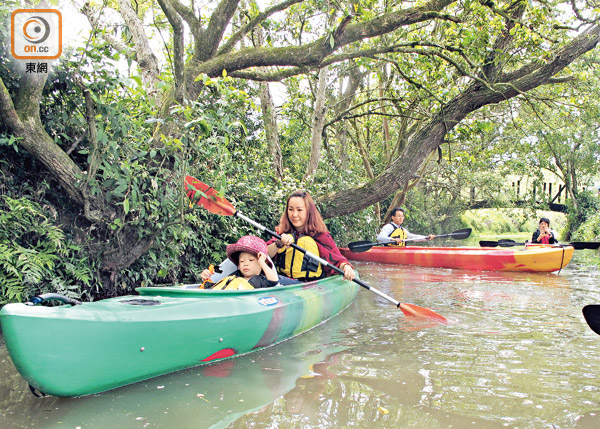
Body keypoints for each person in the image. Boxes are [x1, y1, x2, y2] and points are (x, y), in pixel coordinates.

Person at [266, 190, 355, 282]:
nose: (294, 214)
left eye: (299, 210)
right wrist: (279, 243)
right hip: (283, 281)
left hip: (309, 285)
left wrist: (346, 267)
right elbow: (264, 255)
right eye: (291, 209)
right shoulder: (282, 233)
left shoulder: (321, 235)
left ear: (308, 211)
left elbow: (337, 260)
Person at [200, 235, 279, 289]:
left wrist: (262, 262)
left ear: (261, 265)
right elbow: (216, 286)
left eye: (251, 260)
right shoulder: (234, 276)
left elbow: (274, 281)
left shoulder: (261, 281)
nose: (246, 264)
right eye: (241, 261)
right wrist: (206, 279)